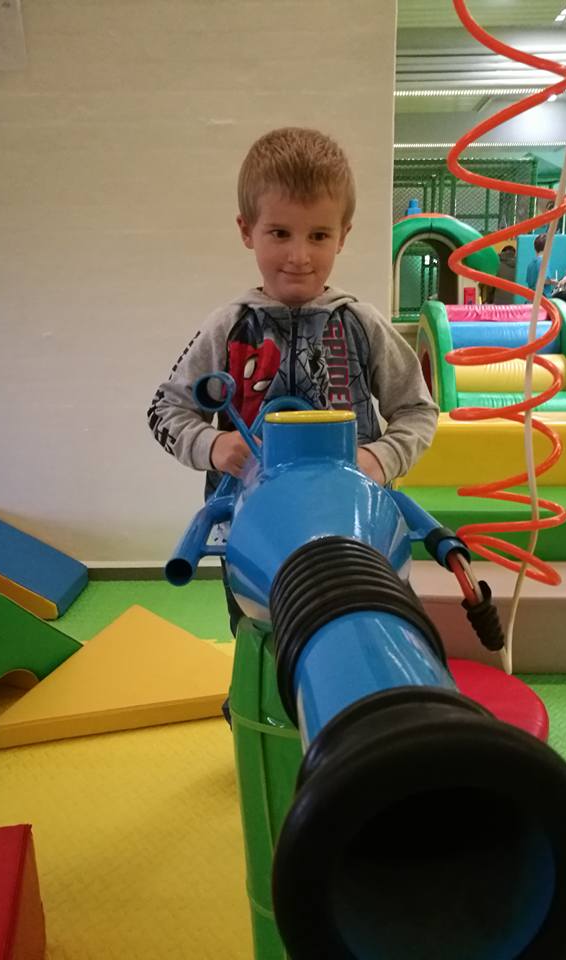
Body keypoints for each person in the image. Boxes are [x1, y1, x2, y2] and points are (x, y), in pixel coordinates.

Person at [147, 126, 440, 643]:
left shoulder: (363, 324)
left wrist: (379, 459)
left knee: (364, 637)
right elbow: (165, 410)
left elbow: (418, 410)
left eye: (319, 236)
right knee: (259, 644)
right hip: (252, 537)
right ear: (247, 230)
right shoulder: (228, 326)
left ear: (343, 235)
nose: (299, 256)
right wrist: (215, 446)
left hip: (357, 532)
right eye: (280, 233)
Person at [525, 234, 553, 298]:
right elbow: (544, 280)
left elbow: (530, 282)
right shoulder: (544, 261)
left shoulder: (531, 264)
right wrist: (554, 282)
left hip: (531, 297)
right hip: (542, 298)